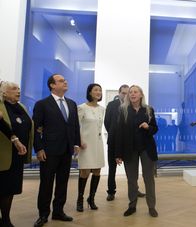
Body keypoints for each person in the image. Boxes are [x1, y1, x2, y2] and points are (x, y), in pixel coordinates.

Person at [33, 74, 81, 227]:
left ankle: (58, 211)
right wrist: (39, 148)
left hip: (67, 150)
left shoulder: (72, 104)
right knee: (46, 183)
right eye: (61, 81)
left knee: (62, 182)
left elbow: (75, 126)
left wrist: (76, 143)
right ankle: (43, 214)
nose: (65, 82)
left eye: (65, 80)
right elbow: (35, 129)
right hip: (49, 150)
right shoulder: (42, 104)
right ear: (52, 85)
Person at [115, 85, 159, 217]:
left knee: (149, 179)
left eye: (135, 92)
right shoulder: (123, 110)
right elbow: (119, 133)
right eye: (130, 92)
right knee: (132, 180)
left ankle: (151, 207)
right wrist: (118, 154)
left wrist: (148, 127)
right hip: (129, 150)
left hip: (147, 149)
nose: (132, 94)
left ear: (141, 95)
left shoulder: (148, 110)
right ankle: (132, 205)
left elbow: (155, 129)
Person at [104, 85, 147, 201]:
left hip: (129, 143)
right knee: (112, 168)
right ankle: (111, 191)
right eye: (123, 93)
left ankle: (135, 189)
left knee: (131, 169)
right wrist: (116, 135)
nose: (126, 95)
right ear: (119, 93)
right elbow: (107, 122)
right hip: (114, 142)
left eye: (127, 93)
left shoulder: (131, 107)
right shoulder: (111, 105)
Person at [0, 81, 32, 227]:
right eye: (14, 89)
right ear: (4, 93)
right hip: (3, 154)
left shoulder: (22, 107)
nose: (18, 91)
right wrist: (15, 140)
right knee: (2, 187)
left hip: (17, 156)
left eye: (19, 88)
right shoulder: (1, 106)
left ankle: (5, 218)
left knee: (11, 188)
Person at [76, 83, 105, 212]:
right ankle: (80, 199)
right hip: (85, 144)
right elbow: (75, 126)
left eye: (100, 90)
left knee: (97, 171)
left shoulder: (102, 109)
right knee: (85, 172)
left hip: (98, 143)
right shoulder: (82, 107)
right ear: (89, 92)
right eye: (96, 90)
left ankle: (91, 198)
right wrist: (79, 141)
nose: (98, 92)